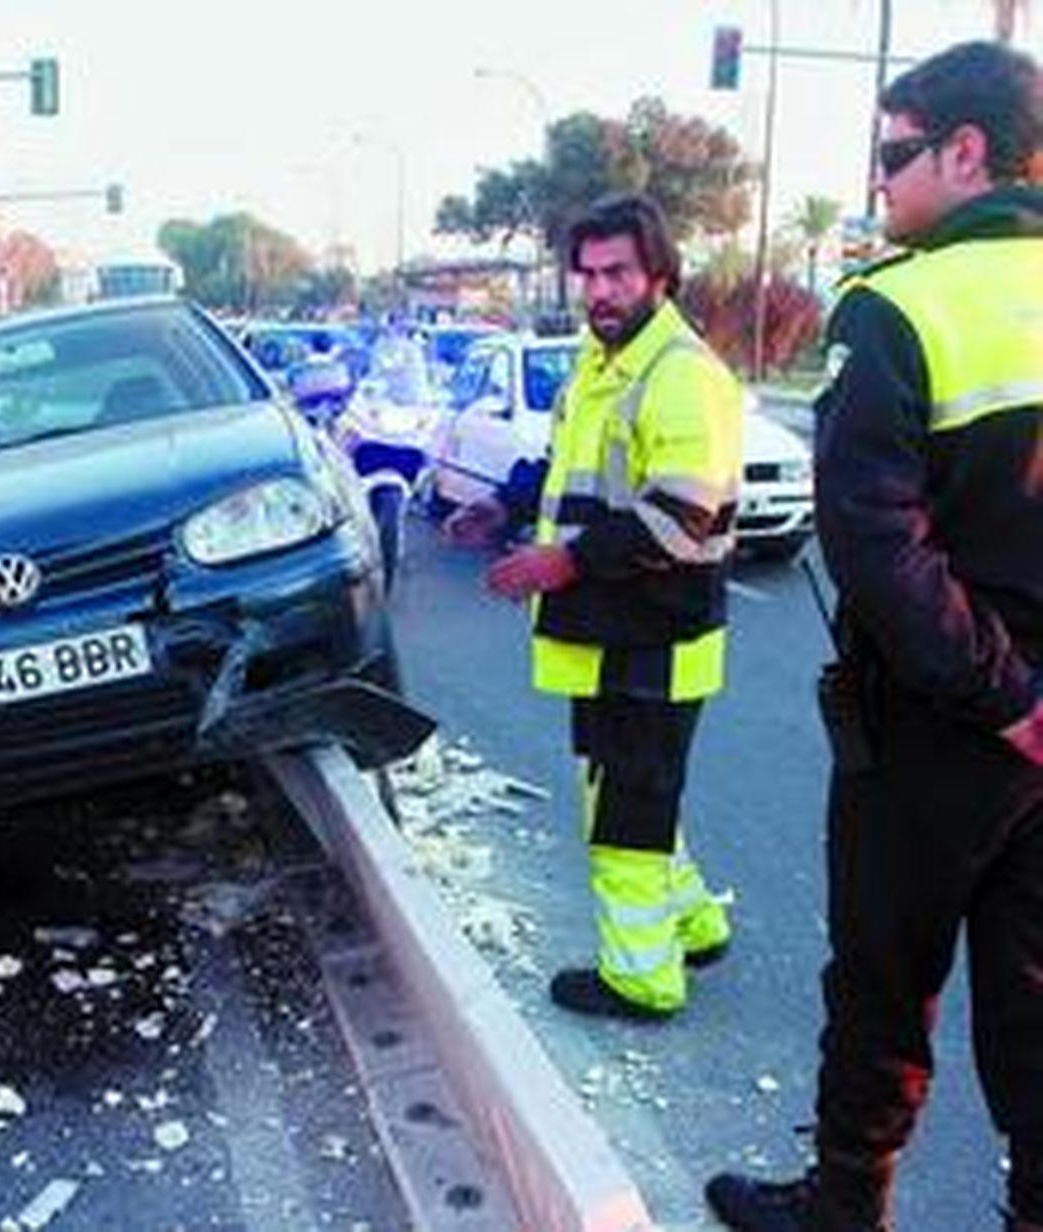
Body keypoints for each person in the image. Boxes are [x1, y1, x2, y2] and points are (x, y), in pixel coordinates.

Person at [706, 40, 1043, 1232]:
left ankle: (845, 1204)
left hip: (944, 728)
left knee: (883, 980)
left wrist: (1005, 697)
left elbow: (871, 541)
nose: (877, 184)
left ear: (967, 151)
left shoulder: (895, 303)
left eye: (893, 155)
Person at [444, 192, 743, 1021]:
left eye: (618, 273)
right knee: (632, 791)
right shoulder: (600, 360)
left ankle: (643, 979)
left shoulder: (680, 374)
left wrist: (562, 561)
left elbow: (686, 517)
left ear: (659, 274)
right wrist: (504, 508)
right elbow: (568, 466)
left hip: (654, 639)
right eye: (588, 274)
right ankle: (694, 923)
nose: (599, 290)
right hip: (611, 636)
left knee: (624, 816)